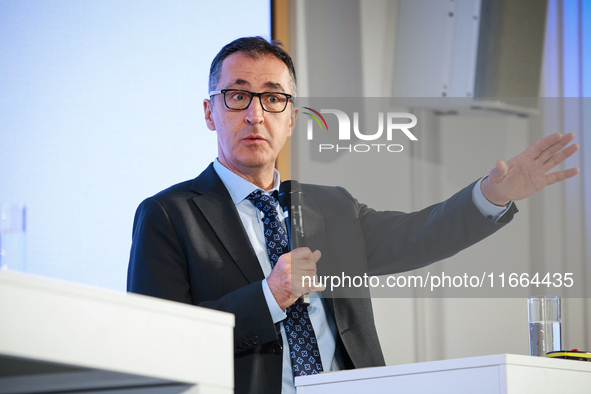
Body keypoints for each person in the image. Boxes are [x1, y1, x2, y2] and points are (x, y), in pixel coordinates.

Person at [127, 37, 579, 394]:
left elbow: (418, 235)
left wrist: (491, 195)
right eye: (237, 97)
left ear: (292, 118)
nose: (255, 115)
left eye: (272, 99)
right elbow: (159, 346)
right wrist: (269, 294)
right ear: (210, 113)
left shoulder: (331, 207)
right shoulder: (168, 216)